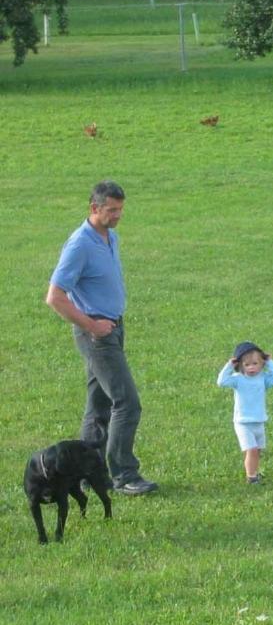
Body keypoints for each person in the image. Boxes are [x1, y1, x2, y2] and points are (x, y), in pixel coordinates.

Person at [46, 179, 158, 495]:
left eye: (121, 209)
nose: (118, 215)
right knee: (126, 402)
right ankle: (124, 475)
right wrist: (92, 326)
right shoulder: (79, 244)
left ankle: (83, 472)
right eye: (112, 210)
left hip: (112, 328)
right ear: (94, 208)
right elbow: (55, 296)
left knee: (99, 406)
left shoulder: (110, 237)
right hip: (96, 334)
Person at [217, 341, 273, 484]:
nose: (251, 367)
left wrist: (270, 362)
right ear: (240, 365)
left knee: (257, 451)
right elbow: (221, 382)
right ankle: (251, 477)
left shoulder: (263, 379)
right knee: (252, 450)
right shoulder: (238, 380)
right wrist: (229, 365)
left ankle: (255, 472)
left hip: (259, 420)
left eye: (255, 363)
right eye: (247, 365)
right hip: (243, 422)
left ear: (262, 363)